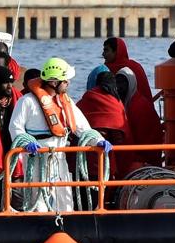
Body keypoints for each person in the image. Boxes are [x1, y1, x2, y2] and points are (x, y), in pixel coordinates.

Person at [8, 57, 111, 212]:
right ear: (54, 82)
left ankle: (65, 227)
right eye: (65, 80)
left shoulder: (66, 102)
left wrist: (98, 140)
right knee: (39, 203)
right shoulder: (27, 102)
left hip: (60, 159)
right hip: (36, 160)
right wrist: (26, 143)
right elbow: (15, 127)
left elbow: (83, 128)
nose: (68, 83)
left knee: (66, 201)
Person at [104, 37, 163, 147]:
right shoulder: (109, 69)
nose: (103, 54)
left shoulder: (131, 68)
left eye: (107, 50)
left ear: (116, 52)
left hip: (137, 116)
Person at [76, 65, 133, 170]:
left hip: (83, 160)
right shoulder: (117, 102)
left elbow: (74, 122)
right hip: (107, 158)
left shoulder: (87, 98)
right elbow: (121, 137)